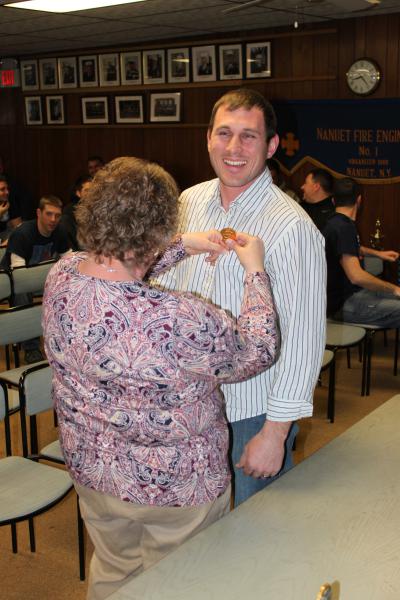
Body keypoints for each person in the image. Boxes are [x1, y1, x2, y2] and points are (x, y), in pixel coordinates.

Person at [42, 156, 279, 600]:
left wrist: (187, 245)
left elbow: (121, 263)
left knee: (113, 571)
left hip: (94, 471)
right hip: (178, 489)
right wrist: (254, 269)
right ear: (156, 233)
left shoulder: (63, 276)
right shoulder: (181, 318)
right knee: (178, 584)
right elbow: (257, 350)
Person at [153, 88, 326, 506]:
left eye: (248, 136)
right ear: (207, 137)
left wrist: (275, 433)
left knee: (256, 537)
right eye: (224, 133)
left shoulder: (291, 226)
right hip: (187, 406)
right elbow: (159, 292)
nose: (233, 148)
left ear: (270, 146)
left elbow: (303, 339)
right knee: (197, 533)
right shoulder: (188, 202)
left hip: (251, 413)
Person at [2, 194, 70, 363]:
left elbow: (69, 261)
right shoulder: (22, 233)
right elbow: (18, 275)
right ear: (39, 213)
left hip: (42, 279)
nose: (53, 219)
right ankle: (31, 348)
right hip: (13, 282)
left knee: (70, 285)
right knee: (21, 292)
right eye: (49, 214)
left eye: (57, 215)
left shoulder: (59, 231)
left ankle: (64, 342)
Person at [322, 177, 400, 325]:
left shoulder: (335, 223)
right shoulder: (343, 228)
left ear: (333, 201)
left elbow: (348, 248)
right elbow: (357, 277)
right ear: (359, 200)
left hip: (350, 296)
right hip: (344, 304)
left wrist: (378, 254)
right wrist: (395, 289)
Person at [61, 175, 92, 251]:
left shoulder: (100, 208)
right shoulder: (69, 212)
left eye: (93, 190)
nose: (91, 193)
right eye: (87, 190)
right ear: (78, 193)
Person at [300, 167, 335, 232]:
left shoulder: (333, 215)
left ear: (316, 187)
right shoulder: (300, 207)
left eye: (305, 183)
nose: (302, 187)